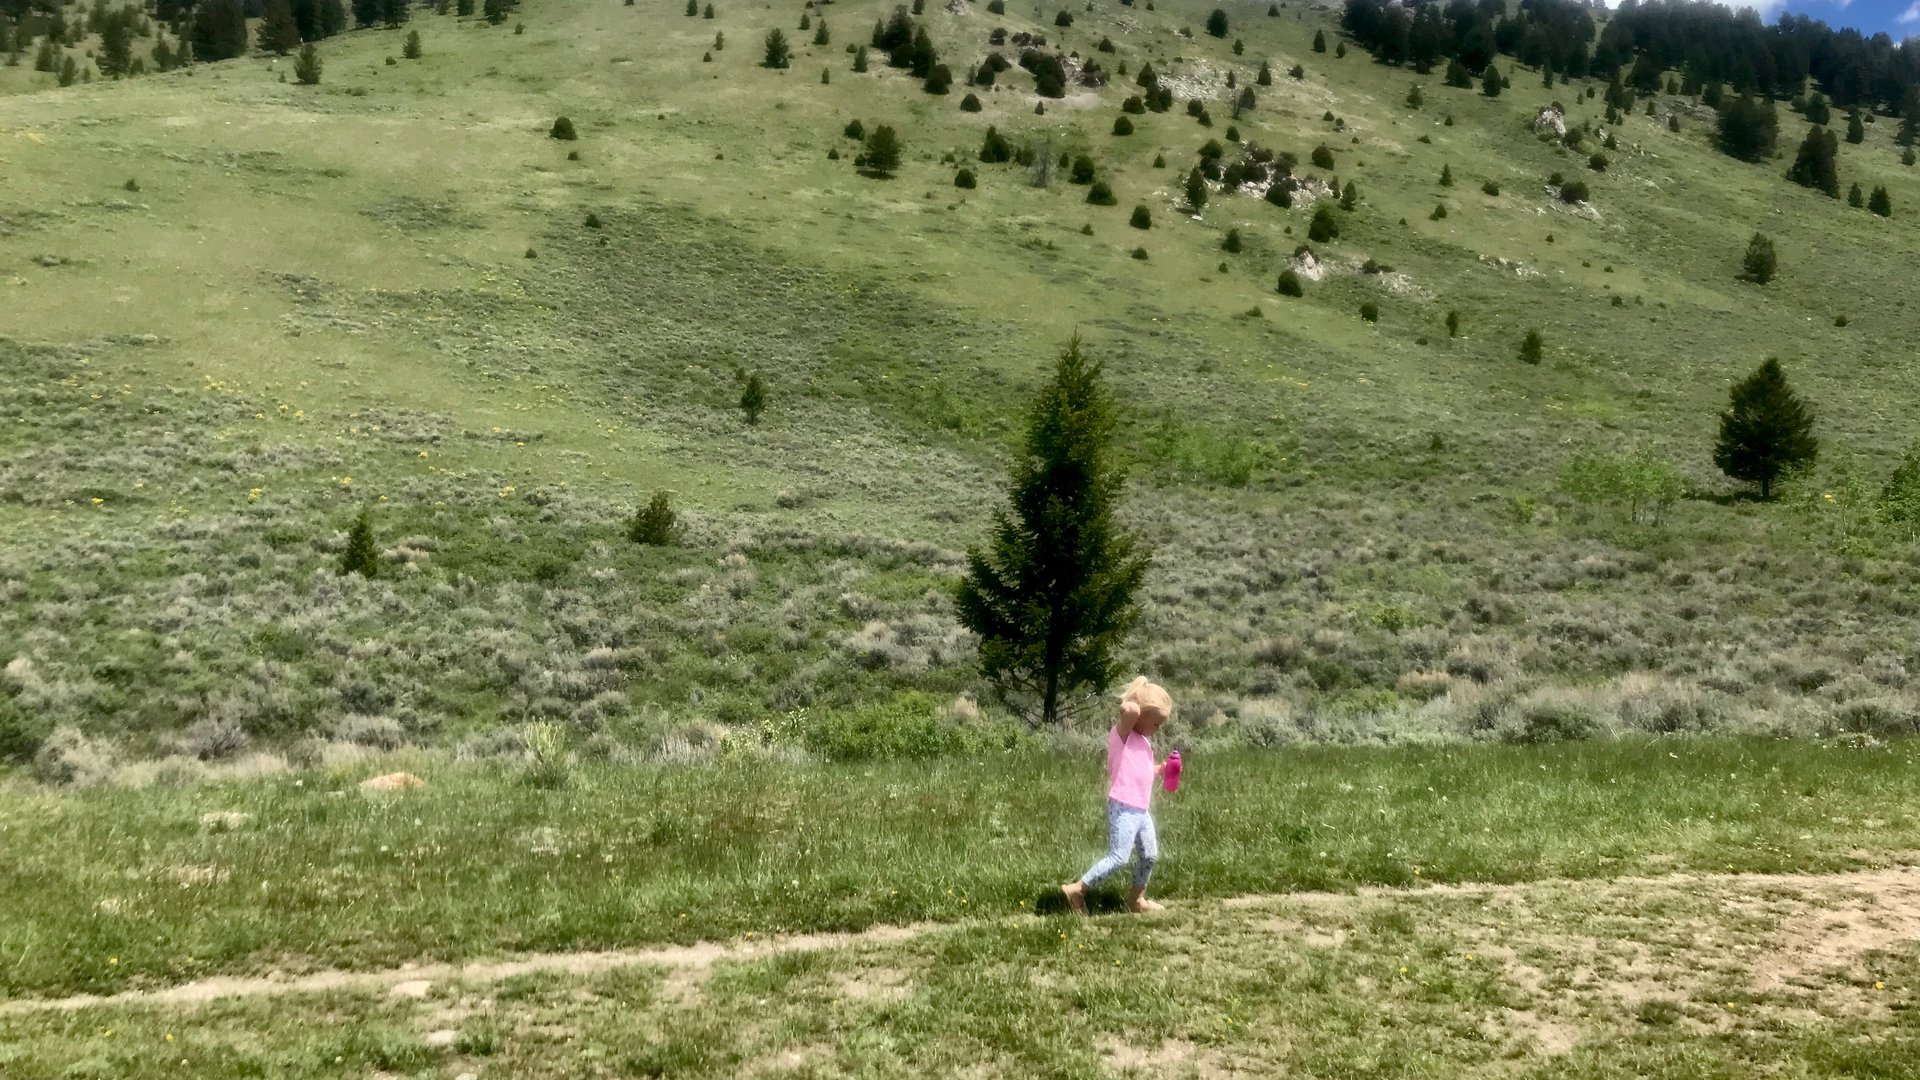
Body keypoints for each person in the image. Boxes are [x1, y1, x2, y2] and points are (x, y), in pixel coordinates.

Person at [1060, 677, 1173, 915]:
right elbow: (1129, 710)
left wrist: (1160, 770)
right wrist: (1134, 701)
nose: (1158, 729)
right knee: (1119, 857)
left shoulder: (1143, 742)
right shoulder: (1121, 735)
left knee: (1149, 855)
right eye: (1156, 724)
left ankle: (1136, 899)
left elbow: (1140, 771)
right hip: (1123, 806)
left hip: (1141, 810)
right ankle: (1077, 889)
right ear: (1140, 717)